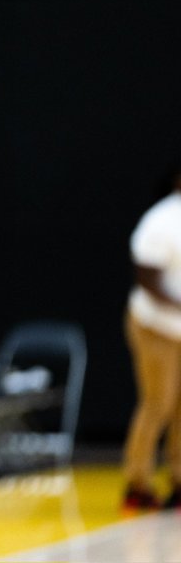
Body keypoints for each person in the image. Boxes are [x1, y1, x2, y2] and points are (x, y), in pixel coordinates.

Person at [120, 157, 181, 512]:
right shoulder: (162, 219)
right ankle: (137, 483)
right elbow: (146, 274)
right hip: (155, 325)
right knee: (158, 401)